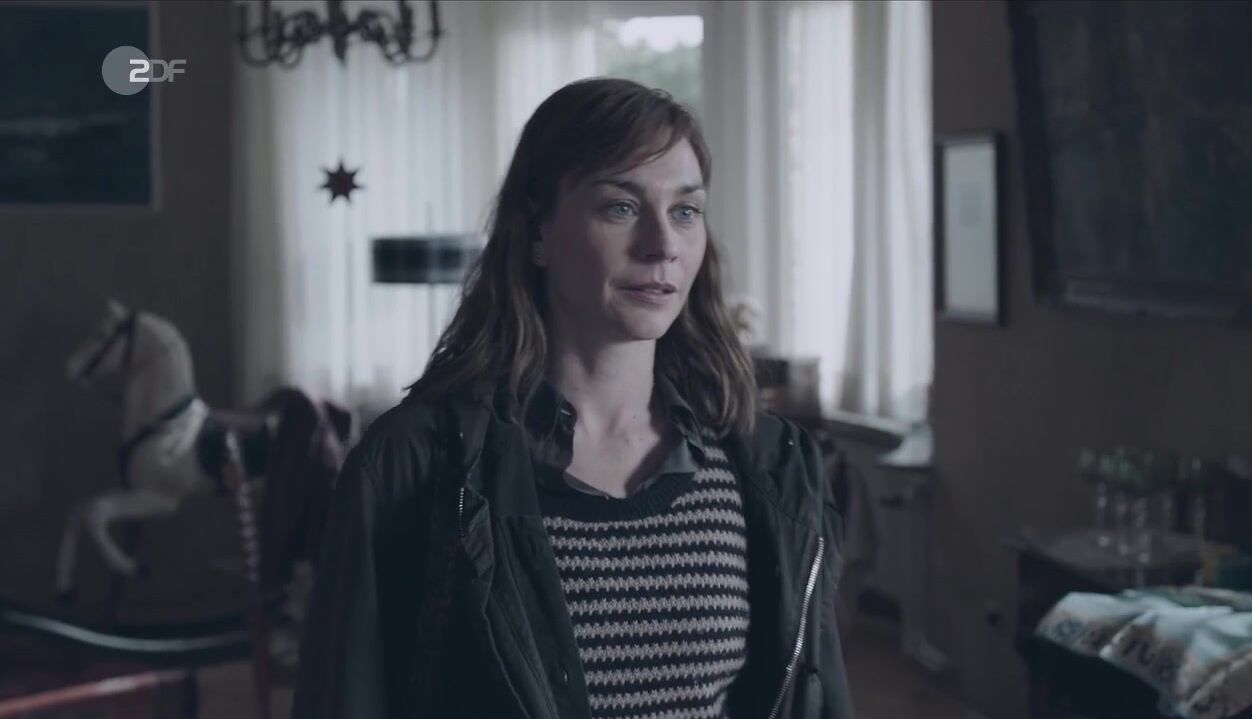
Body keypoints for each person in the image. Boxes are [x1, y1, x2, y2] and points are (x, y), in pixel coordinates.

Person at [291, 77, 853, 719]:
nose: (662, 245)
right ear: (537, 230)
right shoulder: (413, 465)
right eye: (620, 207)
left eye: (685, 211)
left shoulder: (770, 465)